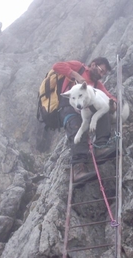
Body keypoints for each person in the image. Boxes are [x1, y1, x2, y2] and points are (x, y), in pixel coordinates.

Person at [52, 57, 117, 185]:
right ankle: (78, 169)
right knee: (75, 127)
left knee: (103, 110)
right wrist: (75, 75)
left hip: (86, 110)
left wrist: (114, 103)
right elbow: (57, 66)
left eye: (103, 73)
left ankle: (101, 147)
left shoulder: (98, 85)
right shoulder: (79, 67)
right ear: (93, 65)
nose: (101, 75)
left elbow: (109, 97)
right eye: (101, 70)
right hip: (68, 106)